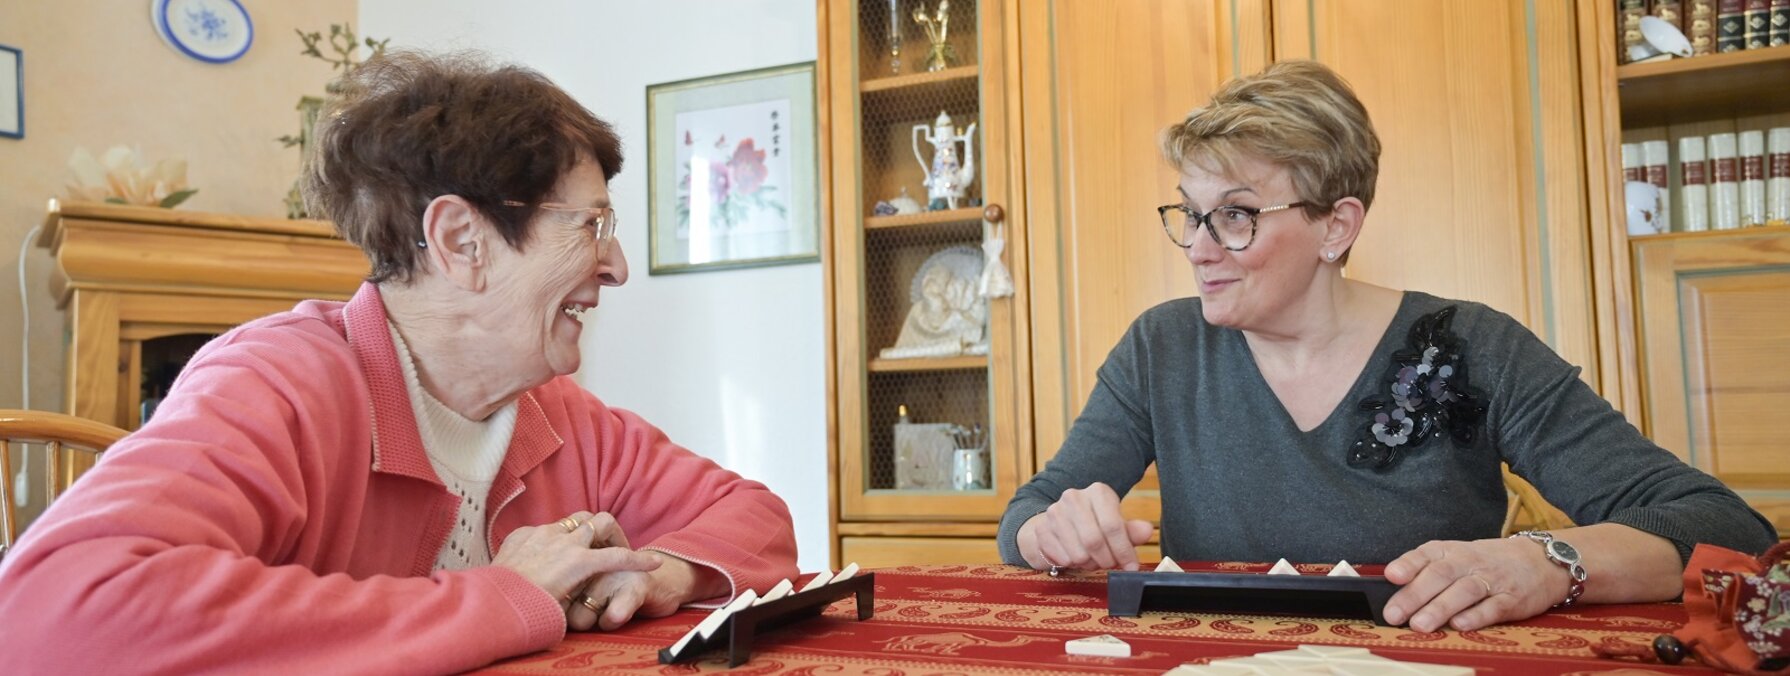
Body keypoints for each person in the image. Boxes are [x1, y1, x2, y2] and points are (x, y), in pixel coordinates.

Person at [0, 51, 798, 673]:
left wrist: (660, 573)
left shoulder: (558, 413)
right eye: (589, 227)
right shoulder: (279, 385)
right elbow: (52, 615)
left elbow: (758, 519)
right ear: (461, 242)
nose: (617, 265)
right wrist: (502, 599)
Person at [997, 60, 1777, 635]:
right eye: (1190, 214)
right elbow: (1026, 516)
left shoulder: (1474, 346)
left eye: (1236, 215)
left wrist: (1546, 561)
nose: (1199, 248)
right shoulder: (1160, 347)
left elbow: (1727, 530)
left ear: (1336, 226)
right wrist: (1049, 530)